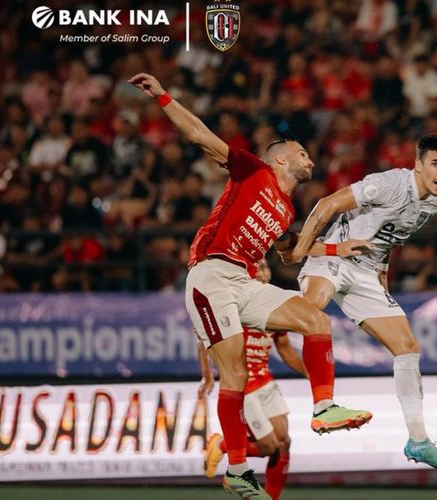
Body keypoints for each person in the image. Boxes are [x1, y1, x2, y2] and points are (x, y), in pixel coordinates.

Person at [128, 73, 373, 499]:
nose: (310, 160)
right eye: (303, 153)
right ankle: (238, 469)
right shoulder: (253, 171)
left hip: (243, 280)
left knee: (316, 320)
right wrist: (163, 96)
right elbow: (202, 136)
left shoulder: (285, 208)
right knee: (236, 371)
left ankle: (323, 408)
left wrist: (336, 250)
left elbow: (292, 253)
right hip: (211, 275)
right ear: (280, 159)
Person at [280, 134, 437, 473]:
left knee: (407, 348)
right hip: (334, 256)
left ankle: (418, 440)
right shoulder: (390, 183)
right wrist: (303, 247)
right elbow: (327, 205)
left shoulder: (432, 203)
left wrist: (383, 271)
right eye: (435, 163)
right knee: (310, 311)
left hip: (367, 272)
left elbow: (388, 237)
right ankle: (322, 406)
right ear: (418, 166)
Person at [199, 259, 306, 500]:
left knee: (284, 443)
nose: (261, 270)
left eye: (266, 266)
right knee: (269, 447)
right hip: (245, 386)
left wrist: (311, 373)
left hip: (266, 382)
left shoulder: (276, 303)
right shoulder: (237, 302)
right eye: (256, 266)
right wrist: (208, 375)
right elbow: (204, 337)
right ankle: (222, 445)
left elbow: (285, 349)